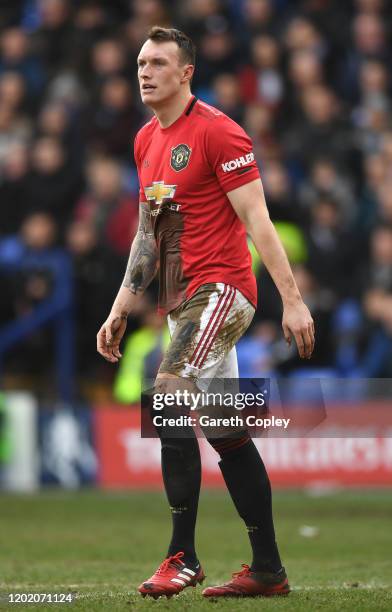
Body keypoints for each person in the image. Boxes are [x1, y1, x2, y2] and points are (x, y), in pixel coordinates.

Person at [97, 26, 314, 599]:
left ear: (186, 71)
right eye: (141, 62)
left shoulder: (220, 132)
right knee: (226, 432)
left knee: (166, 390)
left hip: (221, 291)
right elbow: (149, 235)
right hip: (180, 300)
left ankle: (183, 557)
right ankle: (268, 569)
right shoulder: (146, 141)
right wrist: (120, 307)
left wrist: (292, 300)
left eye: (158, 63)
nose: (145, 72)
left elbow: (257, 220)